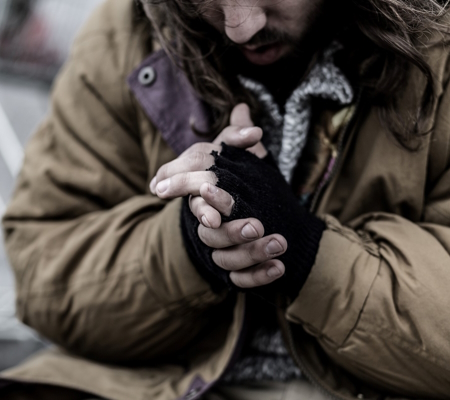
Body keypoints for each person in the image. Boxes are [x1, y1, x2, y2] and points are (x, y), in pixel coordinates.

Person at [2, 0, 450, 399]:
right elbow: (44, 274)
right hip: (154, 381)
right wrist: (190, 246)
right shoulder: (127, 30)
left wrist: (305, 250)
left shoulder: (440, 43)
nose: (241, 25)